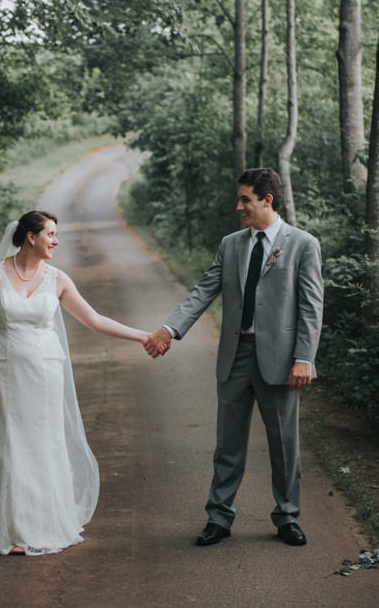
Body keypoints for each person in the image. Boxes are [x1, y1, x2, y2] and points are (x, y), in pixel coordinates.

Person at [0, 210, 151, 556]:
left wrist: (143, 336)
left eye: (56, 234)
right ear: (30, 237)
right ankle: (9, 530)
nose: (56, 241)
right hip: (5, 373)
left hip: (45, 376)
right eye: (51, 234)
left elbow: (94, 320)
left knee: (43, 444)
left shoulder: (58, 279)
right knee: (7, 446)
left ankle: (42, 525)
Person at [144, 168, 323, 547]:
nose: (238, 206)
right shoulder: (231, 244)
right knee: (228, 443)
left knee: (284, 444)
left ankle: (288, 517)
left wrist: (304, 358)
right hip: (235, 356)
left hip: (281, 359)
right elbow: (203, 291)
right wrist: (169, 329)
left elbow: (311, 307)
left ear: (266, 200)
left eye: (245, 199)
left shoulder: (303, 244)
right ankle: (219, 517)